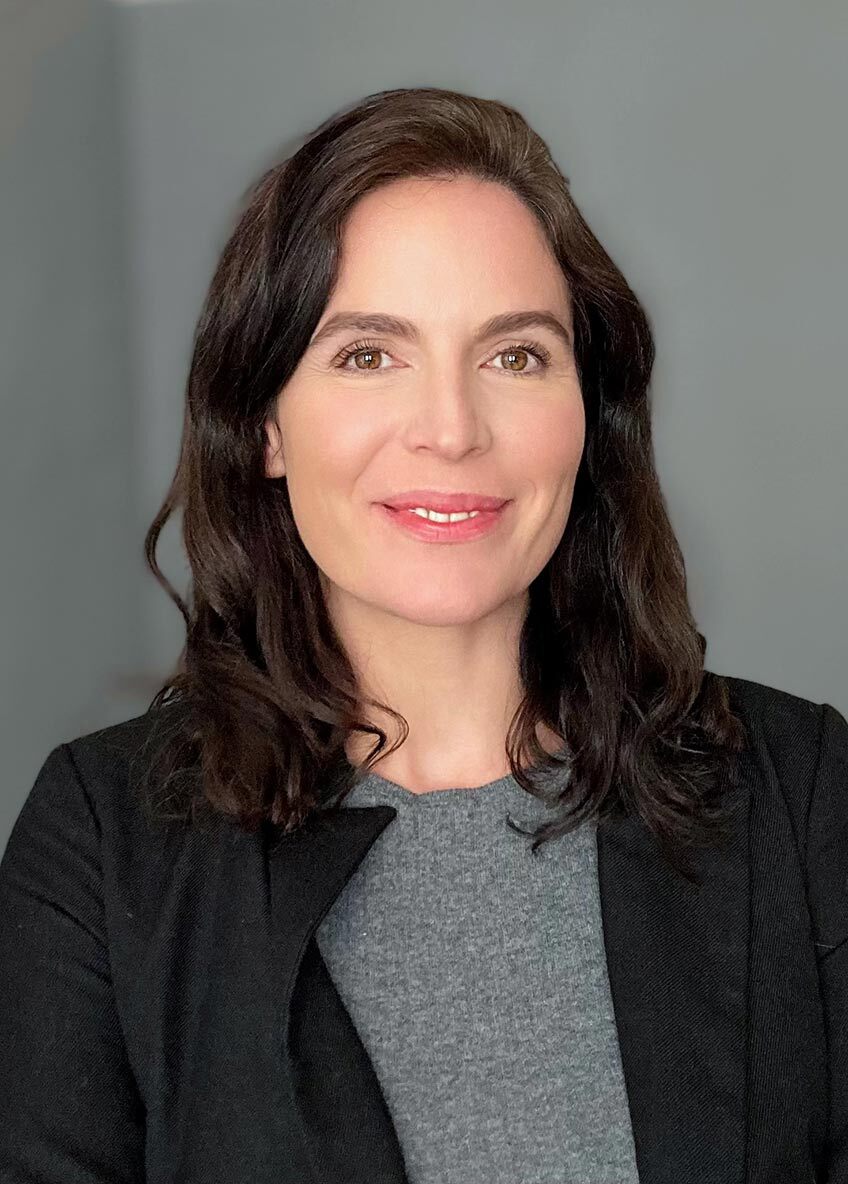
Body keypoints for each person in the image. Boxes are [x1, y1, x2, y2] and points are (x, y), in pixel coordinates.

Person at [1, 85, 846, 1184]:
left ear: (587, 416)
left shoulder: (802, 795)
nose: (450, 430)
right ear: (263, 424)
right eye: (367, 354)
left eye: (514, 355)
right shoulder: (99, 842)